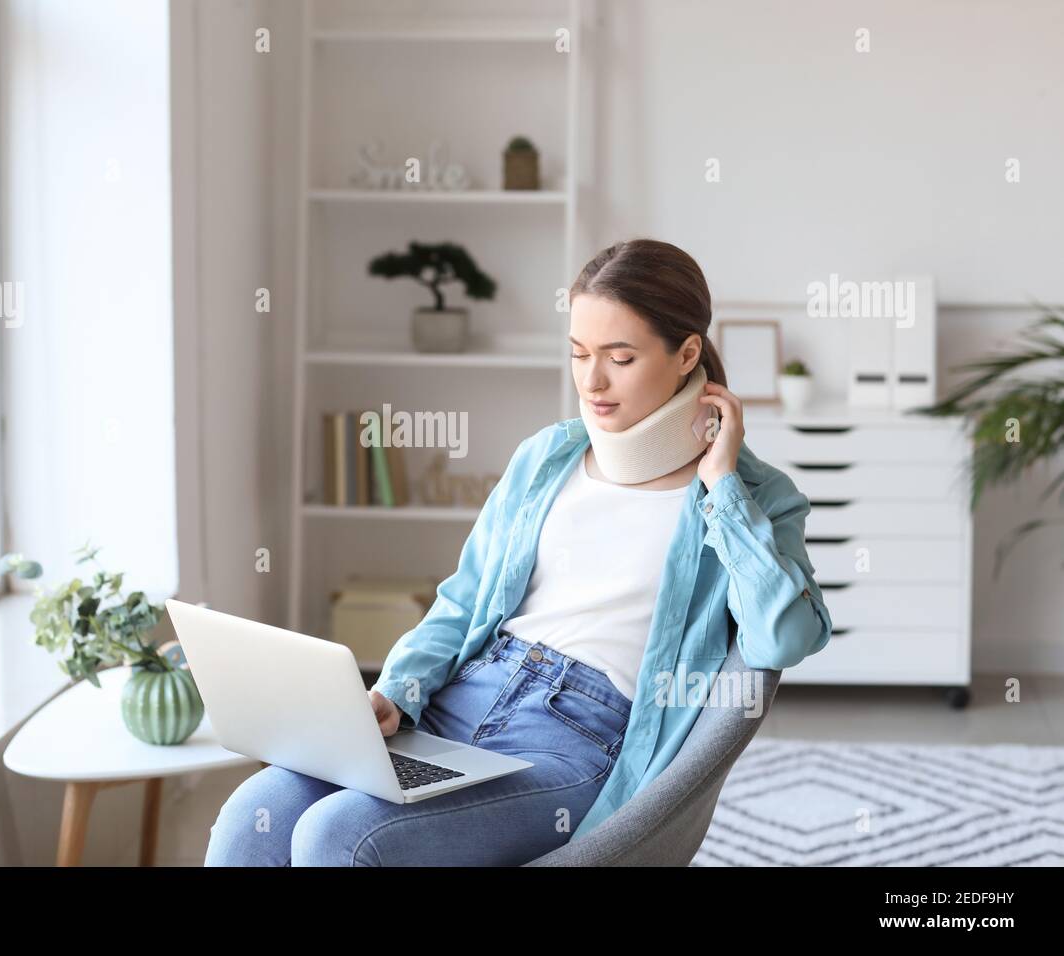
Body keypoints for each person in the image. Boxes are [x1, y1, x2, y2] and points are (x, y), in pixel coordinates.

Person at [204, 238, 833, 866]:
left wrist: (720, 483)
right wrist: (397, 690)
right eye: (579, 354)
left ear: (687, 352)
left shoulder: (754, 496)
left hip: (578, 739)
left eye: (620, 357)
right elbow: (464, 598)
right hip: (466, 696)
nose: (592, 381)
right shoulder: (547, 456)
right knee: (255, 814)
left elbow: (782, 637)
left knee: (339, 834)